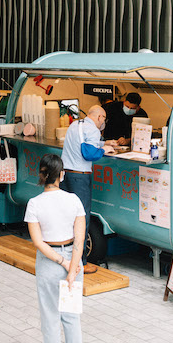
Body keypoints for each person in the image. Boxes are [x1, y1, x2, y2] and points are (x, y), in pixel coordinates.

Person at [26, 154, 86, 343]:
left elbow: (38, 242)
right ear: (62, 174)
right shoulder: (74, 200)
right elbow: (80, 238)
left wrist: (64, 263)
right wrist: (72, 266)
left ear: (41, 174)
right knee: (71, 317)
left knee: (50, 317)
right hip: (74, 260)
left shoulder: (34, 203)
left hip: (48, 262)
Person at [60, 105, 116, 273]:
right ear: (99, 117)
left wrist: (103, 143)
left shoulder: (75, 125)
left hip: (65, 175)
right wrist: (104, 149)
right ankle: (80, 263)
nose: (103, 123)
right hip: (80, 177)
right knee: (81, 220)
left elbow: (82, 144)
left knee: (68, 218)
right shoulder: (93, 129)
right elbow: (89, 154)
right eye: (104, 120)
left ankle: (66, 257)